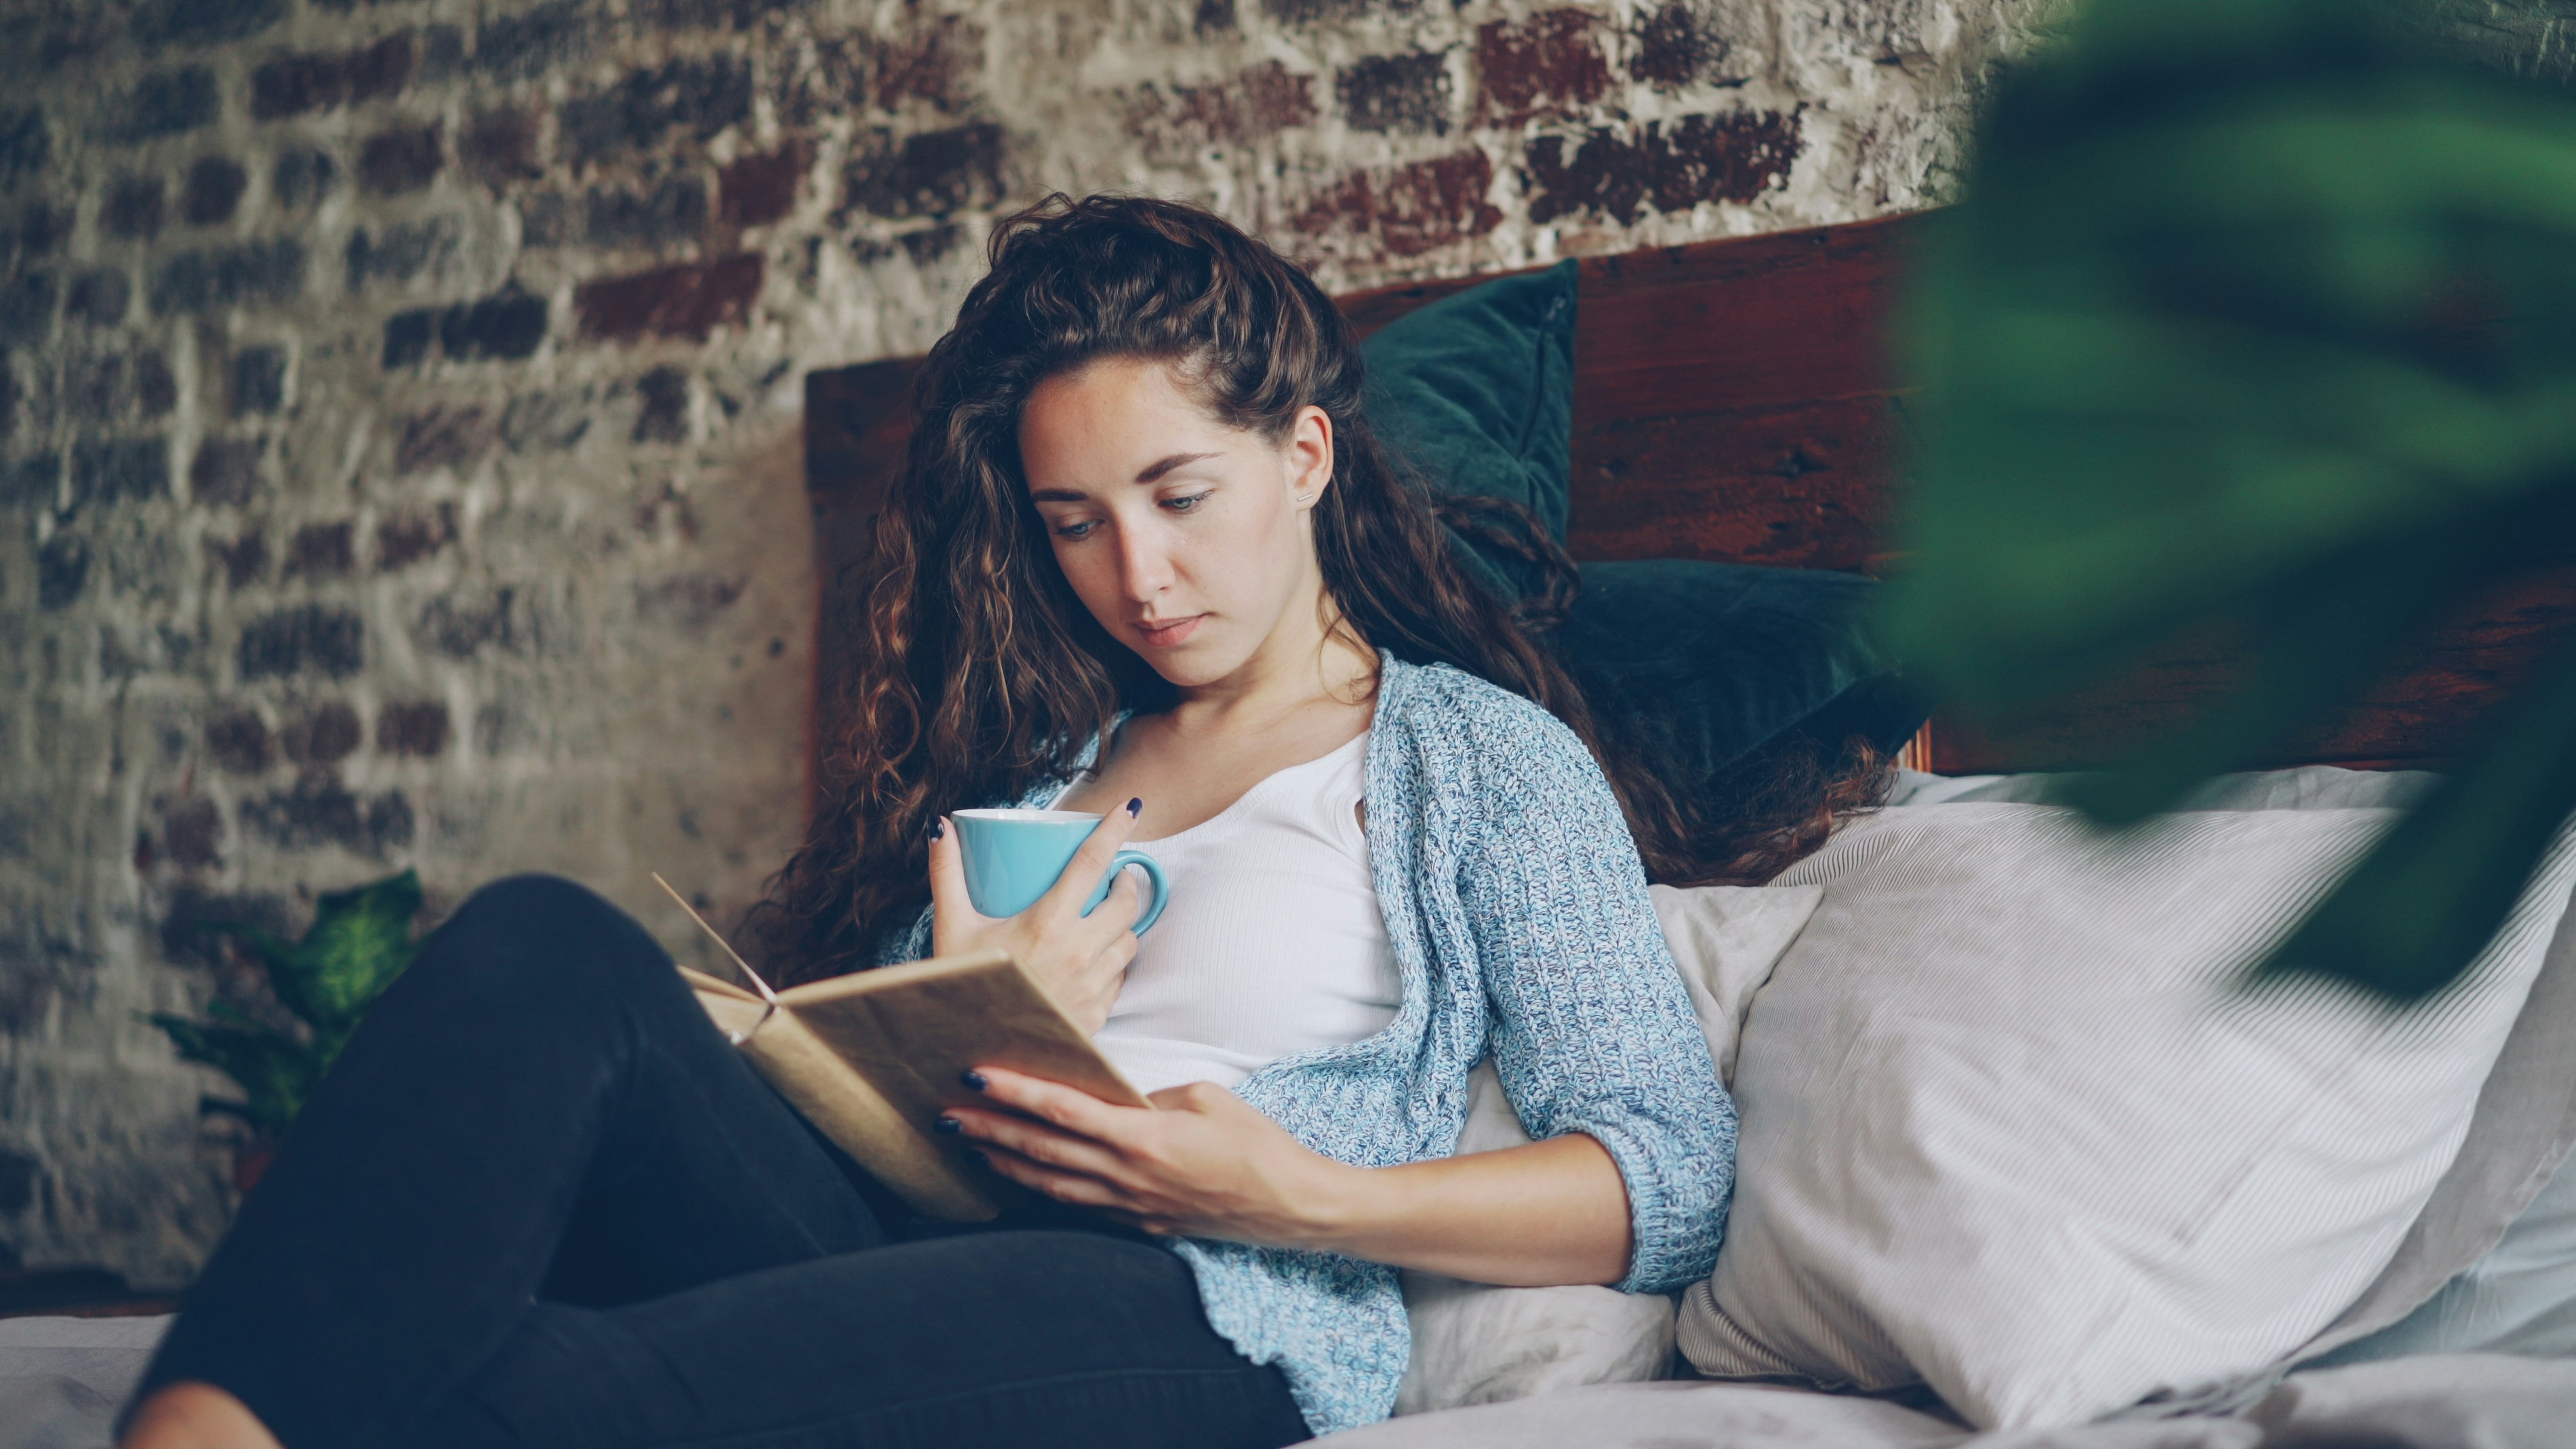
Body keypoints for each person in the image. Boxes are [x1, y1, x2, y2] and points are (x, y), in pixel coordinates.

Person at [120, 195, 1866, 1449]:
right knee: (541, 943)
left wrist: (1303, 1196)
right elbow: (893, 1138)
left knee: (534, 1389)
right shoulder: (1044, 769)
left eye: (1180, 495)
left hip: (1193, 1297)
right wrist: (959, 1013)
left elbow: (1667, 1179)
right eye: (1075, 521)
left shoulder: (1473, 762)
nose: (1141, 572)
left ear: (1309, 459)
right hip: (918, 1225)